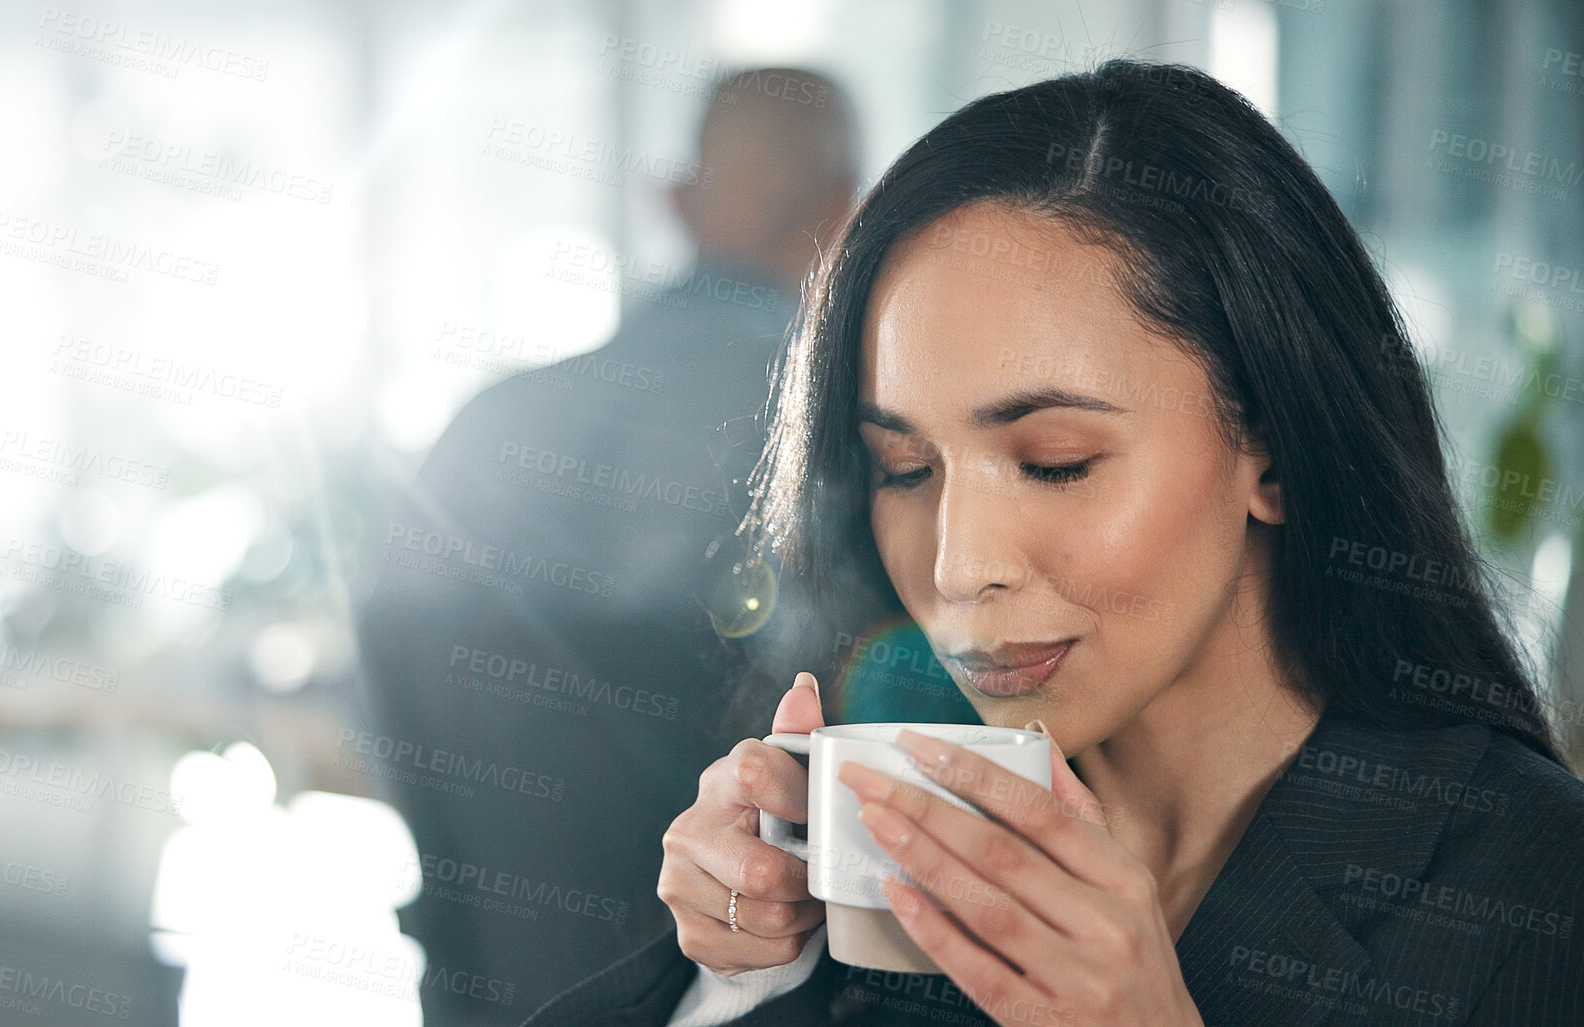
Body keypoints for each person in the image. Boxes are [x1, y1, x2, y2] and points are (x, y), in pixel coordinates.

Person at [521, 59, 1584, 1026]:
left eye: (1056, 461)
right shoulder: (890, 838)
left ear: (1273, 447)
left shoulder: (1535, 893)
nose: (955, 565)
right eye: (906, 470)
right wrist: (740, 974)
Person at [352, 69, 859, 1024]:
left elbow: (386, 712)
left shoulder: (480, 429)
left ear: (673, 201)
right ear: (848, 212)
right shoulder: (847, 442)